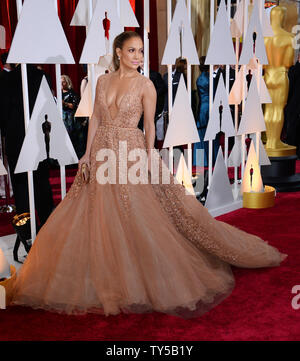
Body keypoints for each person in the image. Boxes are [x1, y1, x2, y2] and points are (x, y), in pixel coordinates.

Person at [10, 31, 286, 318]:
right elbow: (96, 119)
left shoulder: (146, 85)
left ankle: (139, 274)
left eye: (141, 51)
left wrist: (150, 153)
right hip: (102, 148)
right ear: (118, 52)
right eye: (132, 51)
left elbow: (151, 126)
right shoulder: (102, 81)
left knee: (135, 212)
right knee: (97, 212)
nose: (139, 56)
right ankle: (105, 273)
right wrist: (87, 154)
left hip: (131, 151)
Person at [61, 75, 80, 156]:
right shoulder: (59, 93)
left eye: (63, 82)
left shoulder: (72, 93)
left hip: (69, 118)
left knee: (70, 136)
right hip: (62, 117)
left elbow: (74, 105)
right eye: (60, 82)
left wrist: (64, 103)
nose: (61, 83)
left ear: (67, 82)